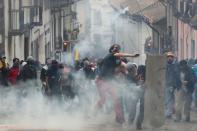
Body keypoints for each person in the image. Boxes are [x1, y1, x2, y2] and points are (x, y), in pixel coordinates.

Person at [96, 44, 139, 124]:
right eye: (114, 48)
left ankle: (120, 119)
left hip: (109, 82)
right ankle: (93, 112)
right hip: (101, 81)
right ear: (111, 49)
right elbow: (120, 56)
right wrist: (132, 55)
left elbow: (124, 66)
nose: (115, 49)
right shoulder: (110, 56)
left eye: (117, 48)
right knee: (103, 100)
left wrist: (132, 74)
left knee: (117, 99)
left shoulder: (118, 61)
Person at [165, 52, 181, 119]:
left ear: (173, 58)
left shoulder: (176, 65)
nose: (169, 58)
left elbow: (178, 75)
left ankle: (178, 115)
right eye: (168, 57)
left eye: (171, 56)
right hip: (167, 85)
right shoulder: (164, 66)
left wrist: (178, 85)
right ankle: (169, 113)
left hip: (176, 86)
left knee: (177, 101)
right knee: (169, 100)